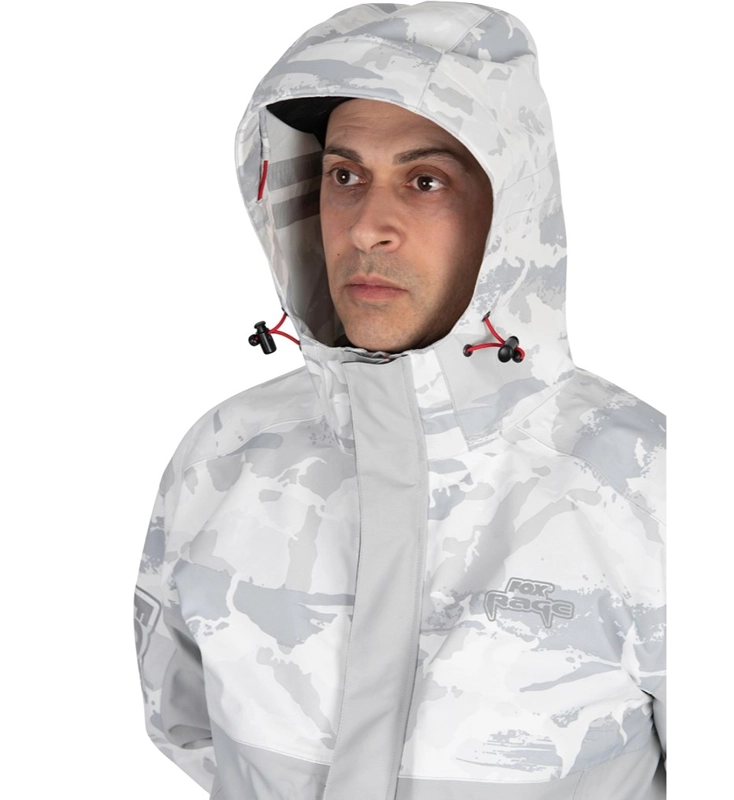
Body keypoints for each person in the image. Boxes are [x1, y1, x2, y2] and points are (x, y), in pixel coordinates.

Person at [133, 3, 666, 799]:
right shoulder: (227, 454)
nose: (366, 228)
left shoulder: (644, 482)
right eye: (344, 177)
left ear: (510, 211)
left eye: (425, 181)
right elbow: (187, 728)